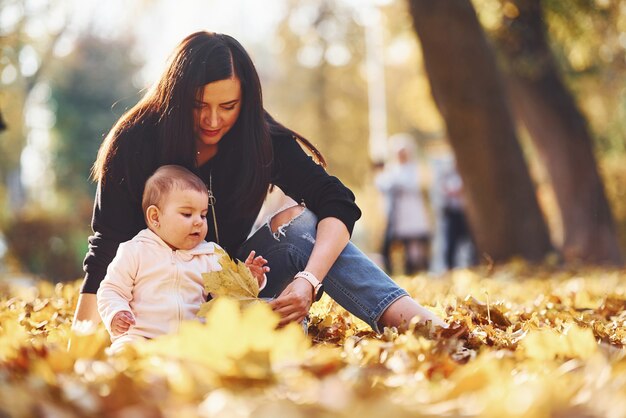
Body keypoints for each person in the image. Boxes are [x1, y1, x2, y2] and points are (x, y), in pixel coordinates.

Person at [74, 31, 445, 333]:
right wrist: (84, 344)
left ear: (246, 101)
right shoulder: (136, 140)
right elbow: (105, 246)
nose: (213, 120)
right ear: (175, 95)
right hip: (157, 300)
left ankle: (418, 323)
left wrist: (307, 281)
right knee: (273, 331)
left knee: (300, 224)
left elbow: (337, 202)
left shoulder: (259, 138)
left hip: (231, 283)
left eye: (228, 106)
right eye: (198, 105)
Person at [97, 165, 269, 352]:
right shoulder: (135, 251)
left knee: (217, 353)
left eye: (203, 215)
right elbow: (111, 290)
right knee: (123, 352)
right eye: (187, 214)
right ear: (155, 217)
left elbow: (229, 297)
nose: (198, 221)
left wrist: (250, 279)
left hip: (192, 340)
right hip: (141, 337)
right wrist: (116, 313)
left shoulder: (210, 255)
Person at [375, 134, 431, 275]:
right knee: (400, 245)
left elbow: (416, 185)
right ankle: (401, 270)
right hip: (398, 216)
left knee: (416, 245)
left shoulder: (416, 169)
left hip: (414, 213)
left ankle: (419, 268)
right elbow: (382, 184)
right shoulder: (392, 170)